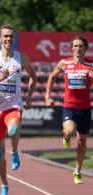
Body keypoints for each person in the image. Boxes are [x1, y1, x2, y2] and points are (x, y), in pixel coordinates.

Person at [0, 24, 37, 195]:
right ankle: (4, 185)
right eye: (5, 36)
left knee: (13, 131)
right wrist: (1, 77)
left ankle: (14, 151)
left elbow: (33, 77)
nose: (8, 39)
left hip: (13, 106)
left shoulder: (21, 58)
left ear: (14, 39)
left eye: (11, 36)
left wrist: (28, 99)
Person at [45, 36, 93, 184]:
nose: (78, 49)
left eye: (81, 46)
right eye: (76, 46)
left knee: (81, 141)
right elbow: (52, 77)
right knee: (69, 131)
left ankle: (77, 170)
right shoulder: (64, 63)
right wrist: (47, 96)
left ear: (85, 49)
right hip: (69, 106)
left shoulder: (90, 65)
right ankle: (66, 137)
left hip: (85, 108)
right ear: (71, 48)